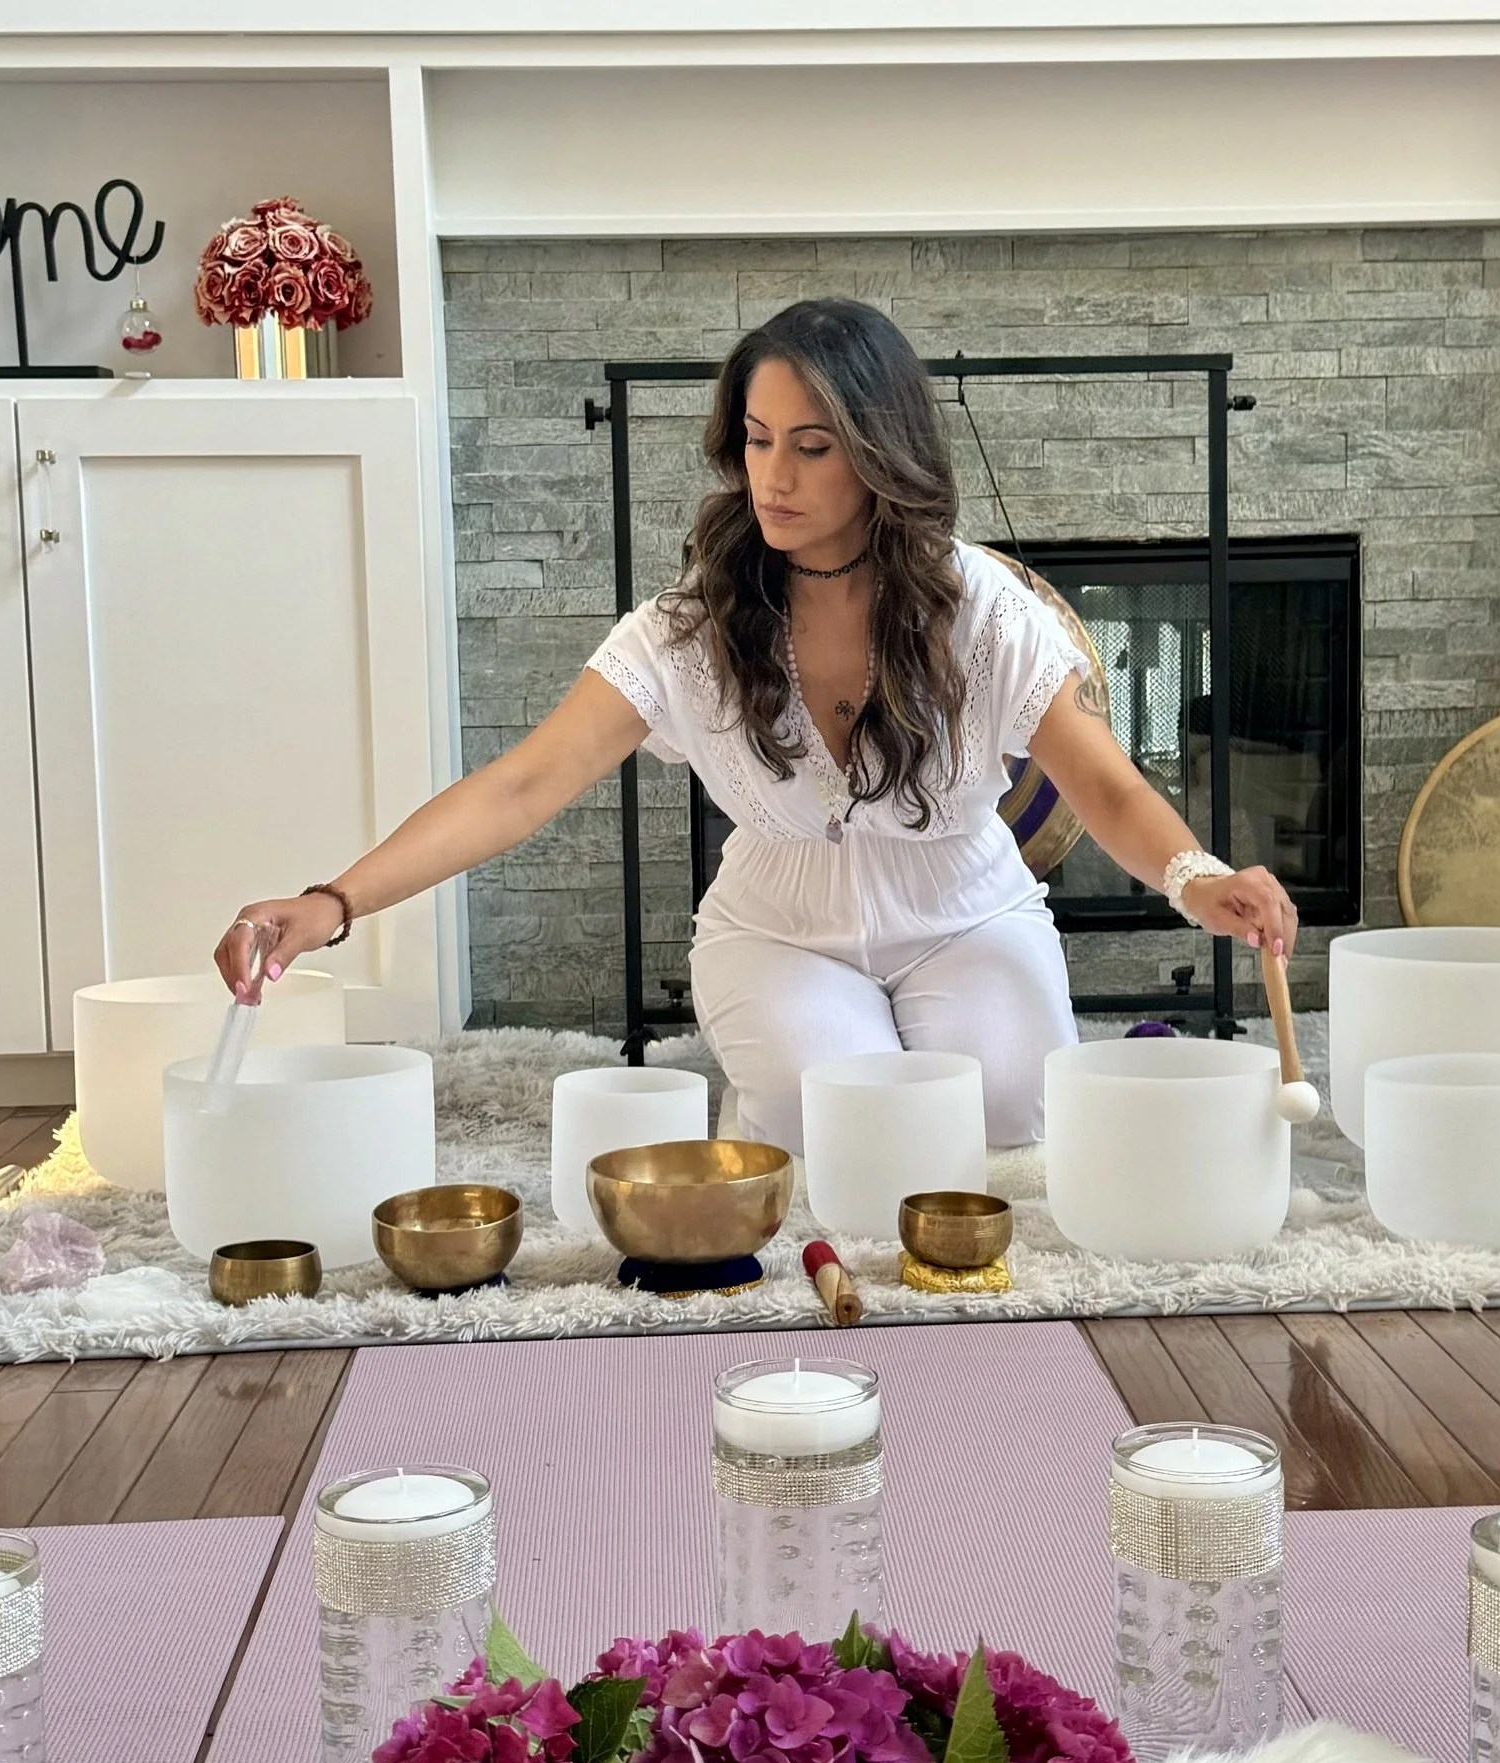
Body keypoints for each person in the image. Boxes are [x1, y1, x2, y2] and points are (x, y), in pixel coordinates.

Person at [215, 296, 1298, 1154]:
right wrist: (332, 902)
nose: (771, 477)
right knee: (854, 1126)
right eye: (756, 439)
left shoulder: (981, 610)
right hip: (779, 934)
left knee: (1011, 1119)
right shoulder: (688, 628)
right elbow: (519, 786)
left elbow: (1100, 783)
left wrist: (1198, 877)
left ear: (880, 452)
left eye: (813, 447)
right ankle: (772, 1116)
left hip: (968, 914)